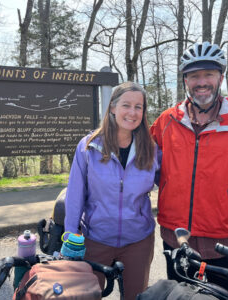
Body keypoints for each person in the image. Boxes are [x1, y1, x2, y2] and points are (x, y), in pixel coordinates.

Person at [150, 41, 228, 298]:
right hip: (175, 236)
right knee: (179, 295)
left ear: (221, 77)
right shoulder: (166, 121)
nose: (201, 81)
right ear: (185, 80)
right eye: (194, 75)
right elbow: (139, 162)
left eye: (209, 74)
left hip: (222, 241)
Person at [65, 81, 160, 300]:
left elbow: (171, 185)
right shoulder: (88, 146)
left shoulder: (151, 149)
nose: (132, 112)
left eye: (139, 107)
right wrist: (70, 232)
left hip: (139, 240)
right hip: (95, 239)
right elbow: (75, 193)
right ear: (113, 108)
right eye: (126, 105)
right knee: (87, 296)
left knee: (136, 297)